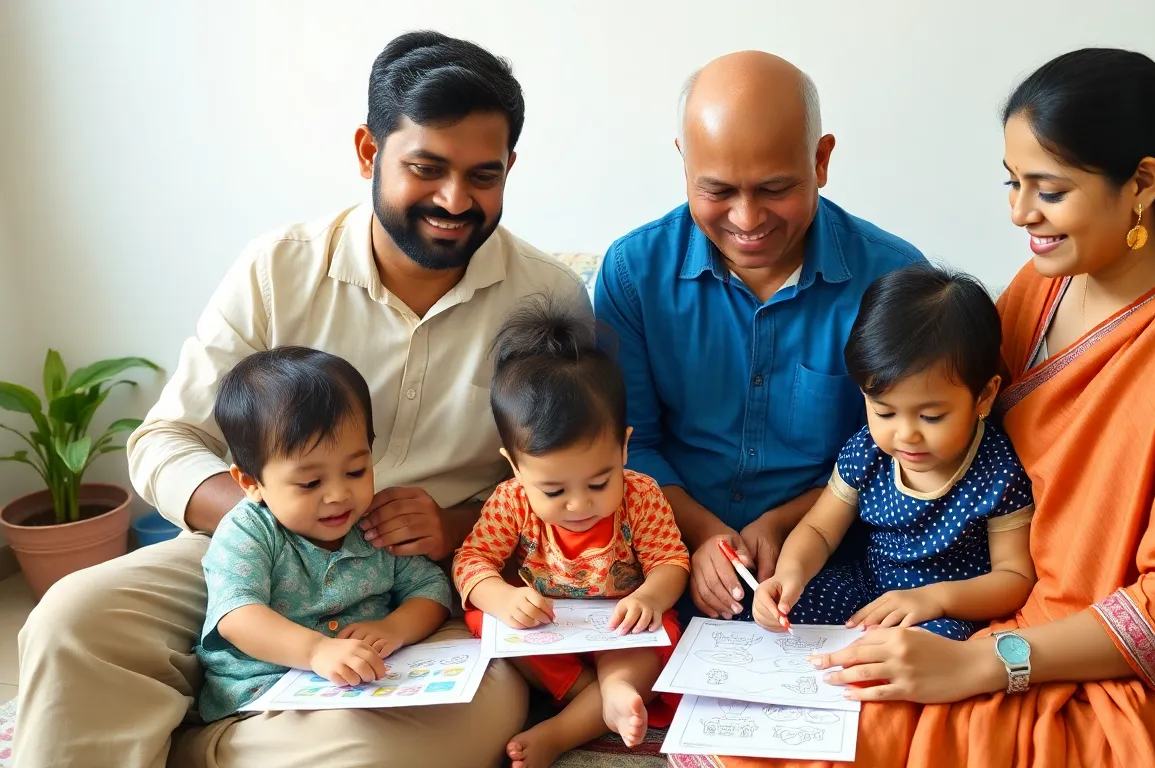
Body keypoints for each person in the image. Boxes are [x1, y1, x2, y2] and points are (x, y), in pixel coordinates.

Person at [676, 48, 1155, 768]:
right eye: (1013, 182)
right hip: (993, 626)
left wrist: (984, 662)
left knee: (804, 740)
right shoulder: (1047, 283)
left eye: (1048, 190)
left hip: (1138, 679)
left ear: (1143, 183)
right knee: (759, 716)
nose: (1021, 213)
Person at [16, 31, 591, 768]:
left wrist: (456, 524)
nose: (455, 200)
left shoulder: (547, 299)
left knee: (452, 724)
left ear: (510, 167)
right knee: (72, 618)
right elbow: (163, 441)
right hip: (245, 561)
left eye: (483, 175)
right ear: (368, 152)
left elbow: (574, 476)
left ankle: (197, 743)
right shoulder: (277, 269)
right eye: (426, 168)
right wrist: (272, 522)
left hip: (427, 586)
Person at [594, 51, 925, 625]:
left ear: (821, 160)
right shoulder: (632, 273)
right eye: (718, 190)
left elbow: (897, 453)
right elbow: (624, 443)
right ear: (684, 162)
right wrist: (702, 535)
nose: (747, 220)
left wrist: (784, 525)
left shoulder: (896, 282)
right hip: (660, 548)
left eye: (774, 188)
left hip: (833, 562)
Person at [453, 298, 690, 768]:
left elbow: (670, 561)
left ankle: (589, 709)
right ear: (515, 466)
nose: (579, 505)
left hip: (619, 631)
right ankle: (590, 696)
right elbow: (471, 560)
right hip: (548, 633)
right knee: (484, 620)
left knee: (659, 632)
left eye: (599, 483)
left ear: (623, 448)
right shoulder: (511, 500)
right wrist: (501, 597)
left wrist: (649, 597)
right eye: (555, 490)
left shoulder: (641, 494)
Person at [753, 264, 1036, 643]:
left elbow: (1014, 577)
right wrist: (789, 575)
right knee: (780, 614)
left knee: (930, 649)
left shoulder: (998, 473)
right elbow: (819, 530)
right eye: (884, 412)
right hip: (865, 587)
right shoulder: (867, 452)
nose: (906, 435)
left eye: (931, 417)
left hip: (942, 609)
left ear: (984, 396)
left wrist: (934, 599)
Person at [197, 347, 453, 721]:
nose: (338, 495)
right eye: (310, 482)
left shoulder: (372, 523)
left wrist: (393, 628)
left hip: (359, 689)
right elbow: (237, 615)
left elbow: (431, 589)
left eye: (355, 472)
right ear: (251, 482)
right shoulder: (250, 530)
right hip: (264, 697)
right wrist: (316, 650)